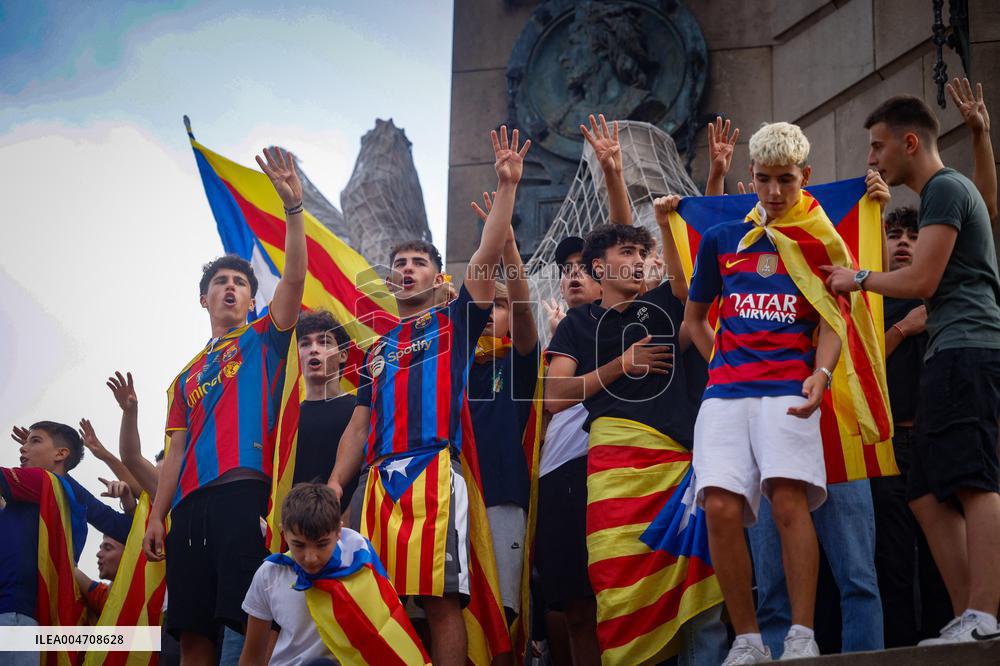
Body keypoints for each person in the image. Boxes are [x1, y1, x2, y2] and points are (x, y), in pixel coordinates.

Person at [328, 125, 531, 665]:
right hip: (378, 480)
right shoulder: (376, 350)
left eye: (418, 263)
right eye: (399, 264)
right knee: (382, 603)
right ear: (390, 282)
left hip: (436, 472)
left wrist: (506, 186)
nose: (406, 269)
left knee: (443, 601)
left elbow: (488, 254)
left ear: (438, 277)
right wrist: (334, 482)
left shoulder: (456, 321)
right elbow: (357, 426)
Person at [825, 90, 1000, 646]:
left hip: (967, 349)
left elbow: (921, 282)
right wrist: (981, 137)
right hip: (950, 355)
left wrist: (856, 278)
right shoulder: (949, 194)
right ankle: (967, 616)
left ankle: (985, 614)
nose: (872, 159)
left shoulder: (945, 188)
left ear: (908, 142)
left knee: (974, 483)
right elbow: (989, 208)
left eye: (878, 147)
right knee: (924, 493)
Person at [684, 121, 849, 663]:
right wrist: (722, 365)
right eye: (763, 180)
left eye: (785, 180)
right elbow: (695, 321)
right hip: (725, 395)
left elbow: (832, 320)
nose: (774, 192)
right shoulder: (720, 239)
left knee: (786, 500)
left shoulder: (822, 240)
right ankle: (749, 640)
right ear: (749, 177)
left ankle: (801, 635)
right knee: (721, 511)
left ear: (806, 176)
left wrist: (820, 374)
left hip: (787, 388)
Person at [142, 146, 307, 662]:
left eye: (240, 282)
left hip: (245, 496)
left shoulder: (264, 337)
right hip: (189, 509)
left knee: (246, 618)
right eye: (221, 282)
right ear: (204, 298)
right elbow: (175, 452)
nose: (230, 288)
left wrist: (293, 211)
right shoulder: (183, 377)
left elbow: (295, 282)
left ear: (253, 299)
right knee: (191, 630)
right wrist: (156, 515)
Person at [869, 206, 952, 647]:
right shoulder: (872, 299)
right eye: (894, 233)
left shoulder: (944, 293)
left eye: (914, 235)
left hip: (939, 441)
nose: (903, 242)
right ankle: (899, 649)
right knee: (894, 560)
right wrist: (902, 328)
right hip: (889, 445)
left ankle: (948, 643)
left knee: (943, 560)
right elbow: (860, 372)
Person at [241, 483, 426, 666]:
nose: (311, 557)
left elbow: (387, 632)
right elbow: (252, 657)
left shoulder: (358, 560)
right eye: (299, 545)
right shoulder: (271, 574)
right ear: (284, 532)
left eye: (322, 544)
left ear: (339, 531)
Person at [468, 193, 540, 630]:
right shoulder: (453, 364)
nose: (492, 314)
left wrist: (509, 249)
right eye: (486, 306)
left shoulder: (518, 361)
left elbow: (521, 303)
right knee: (453, 611)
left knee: (502, 614)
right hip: (450, 497)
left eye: (499, 306)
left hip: (501, 495)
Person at [1, 422, 133, 659]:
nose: (23, 448)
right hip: (36, 617)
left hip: (12, 614)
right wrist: (129, 504)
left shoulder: (39, 481)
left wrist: (129, 498)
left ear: (62, 453)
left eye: (35, 441)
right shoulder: (72, 493)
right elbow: (126, 529)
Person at [535, 235, 602, 666]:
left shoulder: (629, 320)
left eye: (585, 265)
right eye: (567, 268)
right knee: (572, 605)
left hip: (605, 465)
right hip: (557, 472)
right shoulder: (559, 335)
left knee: (613, 600)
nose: (573, 273)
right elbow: (549, 406)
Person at [292, 310, 359, 510]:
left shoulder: (361, 411)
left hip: (352, 532)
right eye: (305, 343)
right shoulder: (285, 421)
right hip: (298, 534)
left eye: (324, 342)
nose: (314, 349)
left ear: (343, 354)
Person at [74, 534, 126, 620]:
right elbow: (70, 568)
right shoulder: (105, 599)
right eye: (101, 548)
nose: (98, 554)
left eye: (108, 548)